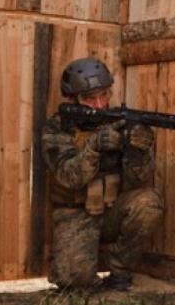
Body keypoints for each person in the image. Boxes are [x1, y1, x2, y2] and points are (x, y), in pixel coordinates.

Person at [41, 57, 164, 291]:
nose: (99, 105)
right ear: (72, 98)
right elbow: (70, 177)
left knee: (149, 202)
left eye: (104, 95)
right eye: (90, 99)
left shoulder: (120, 122)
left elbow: (139, 180)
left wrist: (139, 151)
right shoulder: (58, 128)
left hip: (112, 211)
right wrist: (94, 147)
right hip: (76, 213)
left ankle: (119, 272)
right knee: (74, 283)